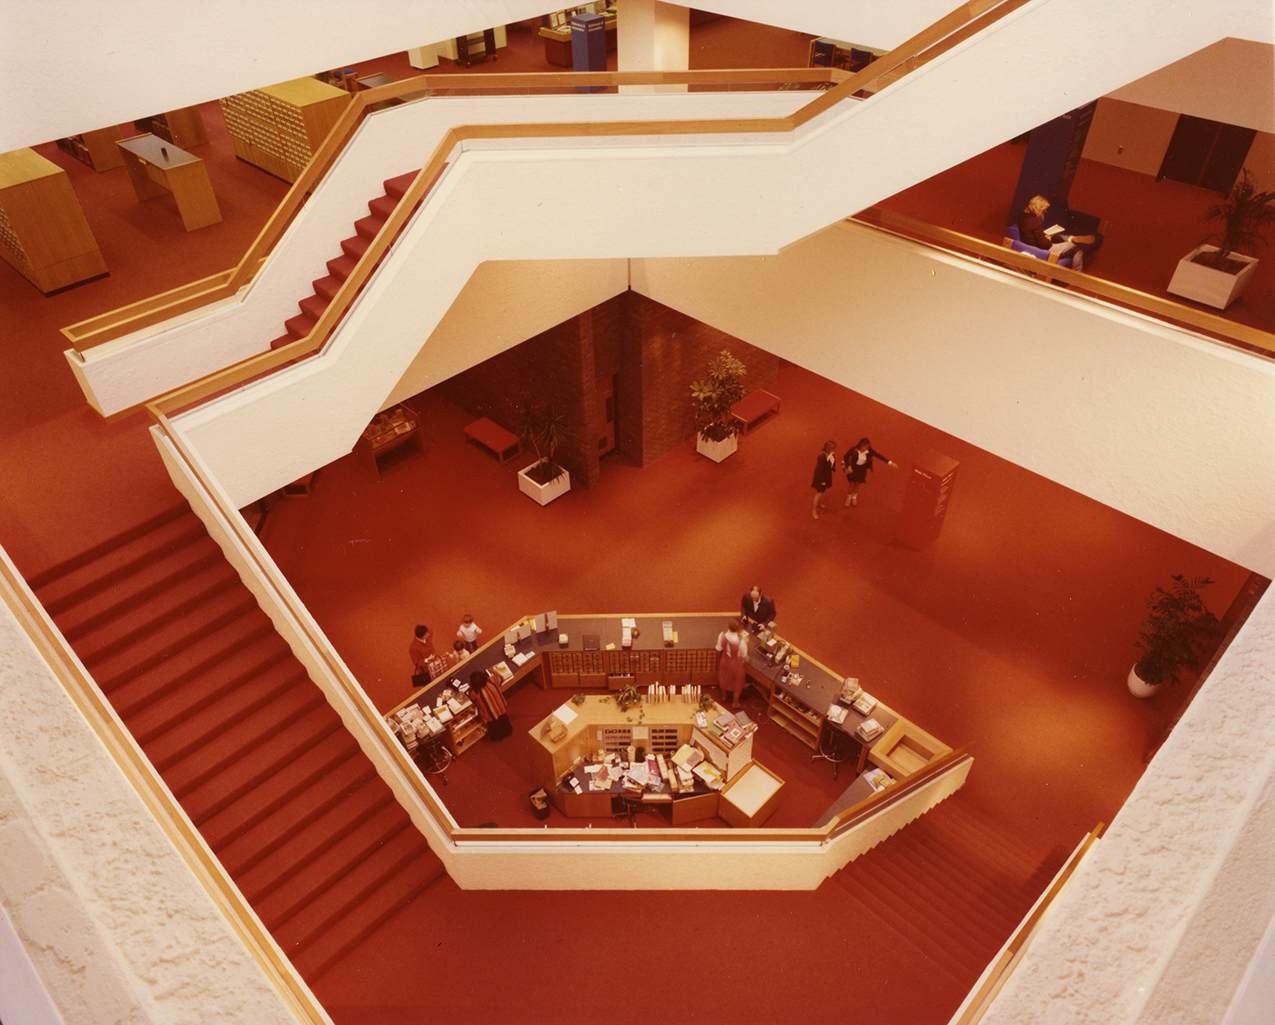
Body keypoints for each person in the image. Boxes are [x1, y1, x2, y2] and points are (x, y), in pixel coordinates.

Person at [1016, 195, 1095, 265]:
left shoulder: (1022, 216)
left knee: (1055, 235)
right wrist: (1048, 239)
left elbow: (1032, 234)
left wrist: (1045, 236)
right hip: (1045, 249)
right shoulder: (1035, 222)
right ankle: (1076, 275)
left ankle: (1070, 238)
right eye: (1043, 211)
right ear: (1039, 209)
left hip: (1034, 244)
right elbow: (1046, 245)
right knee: (1079, 245)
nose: (1043, 213)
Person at [843, 436, 897, 507]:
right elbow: (845, 456)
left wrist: (890, 463)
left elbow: (878, 455)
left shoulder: (869, 450)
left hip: (862, 469)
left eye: (868, 446)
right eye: (865, 446)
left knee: (858, 484)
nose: (867, 448)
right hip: (854, 469)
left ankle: (854, 497)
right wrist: (849, 466)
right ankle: (849, 497)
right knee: (852, 484)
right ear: (861, 445)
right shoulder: (854, 450)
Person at [468, 670, 511, 741]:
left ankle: (498, 738)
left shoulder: (475, 692)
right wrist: (492, 671)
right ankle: (508, 731)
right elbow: (501, 678)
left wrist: (470, 688)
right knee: (504, 719)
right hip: (501, 707)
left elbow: (472, 699)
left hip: (490, 714)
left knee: (494, 726)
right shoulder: (491, 680)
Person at [716, 617, 749, 709]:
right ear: (738, 628)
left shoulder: (722, 635)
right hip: (736, 664)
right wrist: (746, 643)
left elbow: (719, 648)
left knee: (724, 677)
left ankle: (724, 696)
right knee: (738, 682)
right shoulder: (741, 641)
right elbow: (744, 654)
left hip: (725, 660)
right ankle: (735, 703)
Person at [811, 440, 836, 519]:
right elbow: (818, 470)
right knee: (818, 494)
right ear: (828, 449)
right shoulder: (822, 457)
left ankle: (819, 503)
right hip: (821, 478)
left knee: (821, 492)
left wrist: (833, 467)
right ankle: (814, 511)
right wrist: (822, 481)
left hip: (826, 476)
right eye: (833, 449)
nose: (834, 450)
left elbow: (831, 463)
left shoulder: (831, 455)